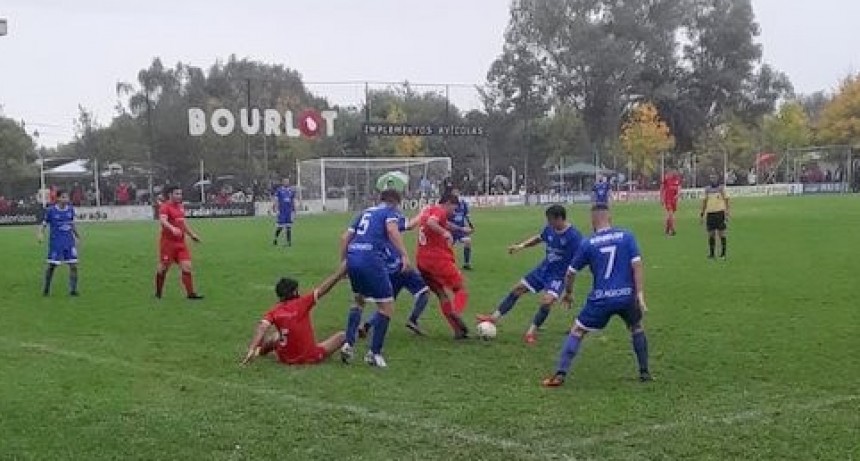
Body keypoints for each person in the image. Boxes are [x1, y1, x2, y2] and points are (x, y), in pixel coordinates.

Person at [542, 204, 651, 387]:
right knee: (636, 327)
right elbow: (637, 265)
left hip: (601, 298)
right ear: (610, 218)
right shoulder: (627, 236)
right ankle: (644, 371)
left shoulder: (588, 243)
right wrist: (639, 294)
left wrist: (568, 293)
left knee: (577, 330)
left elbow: (570, 272)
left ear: (593, 220)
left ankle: (560, 374)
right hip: (626, 296)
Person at [476, 205, 583, 344]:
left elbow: (577, 263)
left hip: (558, 276)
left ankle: (531, 332)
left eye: (551, 220)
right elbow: (539, 238)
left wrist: (569, 291)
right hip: (543, 269)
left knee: (547, 302)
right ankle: (493, 318)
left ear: (560, 218)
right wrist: (521, 246)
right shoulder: (550, 229)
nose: (548, 223)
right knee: (517, 289)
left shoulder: (574, 237)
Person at [340, 189, 411, 368]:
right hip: (371, 259)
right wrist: (404, 255)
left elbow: (345, 237)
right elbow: (392, 230)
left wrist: (344, 262)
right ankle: (374, 353)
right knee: (386, 307)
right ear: (395, 202)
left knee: (358, 301)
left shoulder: (364, 212)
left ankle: (348, 344)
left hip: (354, 257)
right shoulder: (389, 212)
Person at [240, 265, 347, 367]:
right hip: (310, 357)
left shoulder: (274, 310)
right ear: (295, 291)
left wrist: (252, 348)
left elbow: (262, 327)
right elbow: (324, 288)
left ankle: (258, 351)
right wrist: (340, 272)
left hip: (285, 359)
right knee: (342, 336)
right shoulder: (303, 302)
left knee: (276, 336)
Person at [359, 217, 431, 337]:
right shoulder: (391, 219)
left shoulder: (373, 230)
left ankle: (367, 325)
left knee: (387, 304)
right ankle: (413, 320)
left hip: (389, 271)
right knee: (425, 292)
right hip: (401, 267)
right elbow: (410, 225)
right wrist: (422, 214)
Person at [416, 193, 472, 339]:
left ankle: (457, 331)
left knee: (442, 294)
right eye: (454, 208)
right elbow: (432, 223)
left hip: (422, 261)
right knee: (461, 290)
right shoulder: (439, 211)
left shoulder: (429, 210)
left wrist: (460, 229)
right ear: (447, 203)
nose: (454, 212)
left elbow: (441, 222)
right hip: (437, 260)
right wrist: (445, 233)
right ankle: (456, 315)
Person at [155, 186, 204, 300]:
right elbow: (163, 220)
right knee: (163, 269)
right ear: (170, 195)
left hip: (181, 243)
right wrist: (172, 228)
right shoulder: (165, 207)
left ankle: (191, 294)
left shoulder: (181, 207)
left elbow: (183, 224)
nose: (179, 196)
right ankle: (158, 293)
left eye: (180, 194)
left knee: (187, 267)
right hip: (168, 244)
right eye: (177, 194)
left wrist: (192, 235)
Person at [38, 190, 80, 296]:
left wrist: (77, 235)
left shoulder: (70, 209)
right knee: (52, 266)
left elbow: (71, 224)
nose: (66, 199)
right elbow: (44, 224)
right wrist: (40, 234)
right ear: (58, 198)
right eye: (63, 197)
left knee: (73, 265)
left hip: (69, 242)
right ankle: (46, 288)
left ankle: (73, 290)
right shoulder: (51, 211)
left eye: (67, 197)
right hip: (56, 243)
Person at [701, 174, 730, 259]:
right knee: (711, 234)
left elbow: (727, 200)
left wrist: (727, 212)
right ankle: (712, 253)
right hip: (710, 214)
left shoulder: (721, 189)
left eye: (714, 178)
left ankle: (723, 253)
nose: (712, 179)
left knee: (721, 234)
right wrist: (702, 214)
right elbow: (704, 202)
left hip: (720, 213)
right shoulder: (707, 189)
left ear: (717, 179)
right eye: (711, 178)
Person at [449, 188, 475, 270]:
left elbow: (466, 216)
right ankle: (448, 263)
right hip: (451, 230)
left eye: (457, 194)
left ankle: (466, 263)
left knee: (468, 241)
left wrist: (471, 226)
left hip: (461, 230)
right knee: (448, 247)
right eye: (454, 195)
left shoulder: (463, 204)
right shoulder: (449, 205)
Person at [272, 178, 296, 247]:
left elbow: (293, 200)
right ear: (283, 182)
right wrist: (276, 209)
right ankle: (275, 239)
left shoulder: (291, 191)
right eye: (285, 182)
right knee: (280, 227)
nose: (286, 183)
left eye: (287, 182)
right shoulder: (279, 190)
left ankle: (289, 242)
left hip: (289, 211)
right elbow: (276, 200)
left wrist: (294, 210)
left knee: (289, 227)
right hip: (282, 211)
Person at [661, 170, 683, 236]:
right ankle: (672, 229)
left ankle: (667, 229)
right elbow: (662, 188)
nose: (675, 174)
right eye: (674, 173)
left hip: (674, 201)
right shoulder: (667, 180)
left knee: (669, 216)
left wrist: (677, 195)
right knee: (671, 215)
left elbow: (679, 190)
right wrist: (661, 198)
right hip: (668, 200)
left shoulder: (677, 181)